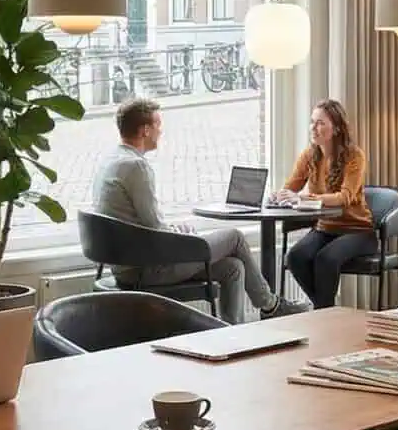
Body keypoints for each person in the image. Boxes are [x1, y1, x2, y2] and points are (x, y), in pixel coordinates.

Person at [92, 98, 307, 324]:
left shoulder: (111, 160)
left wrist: (174, 230)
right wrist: (180, 237)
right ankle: (271, 306)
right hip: (146, 269)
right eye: (157, 125)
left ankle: (231, 332)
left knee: (233, 268)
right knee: (234, 237)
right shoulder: (136, 166)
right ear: (145, 130)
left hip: (125, 266)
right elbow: (154, 228)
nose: (160, 131)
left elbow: (144, 223)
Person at [279, 100, 376, 309]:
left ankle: (323, 312)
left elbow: (344, 197)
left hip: (357, 230)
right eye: (312, 122)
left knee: (326, 259)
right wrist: (278, 196)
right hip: (325, 228)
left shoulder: (354, 156)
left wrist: (306, 198)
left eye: (320, 123)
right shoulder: (309, 155)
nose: (313, 128)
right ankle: (325, 310)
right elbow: (290, 188)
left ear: (337, 128)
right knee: (295, 257)